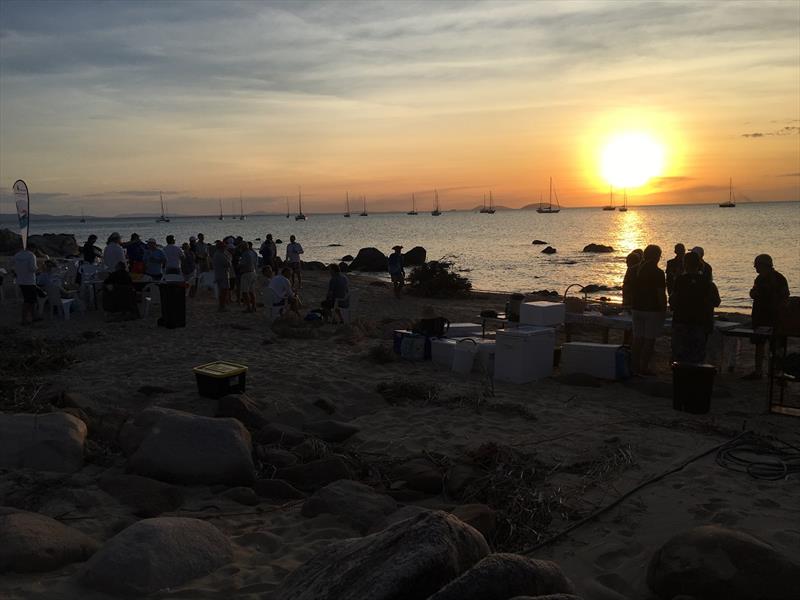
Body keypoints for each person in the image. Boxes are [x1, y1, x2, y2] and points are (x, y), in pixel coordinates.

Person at [744, 254, 790, 380]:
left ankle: (773, 372)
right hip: (763, 317)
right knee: (761, 344)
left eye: (757, 265)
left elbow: (784, 298)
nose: (755, 268)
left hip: (771, 317)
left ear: (764, 265)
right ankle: (762, 371)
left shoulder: (776, 279)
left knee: (773, 346)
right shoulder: (761, 279)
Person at [669, 251, 721, 363]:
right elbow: (716, 302)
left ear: (685, 264)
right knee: (697, 353)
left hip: (681, 320)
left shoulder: (679, 280)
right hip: (700, 321)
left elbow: (673, 299)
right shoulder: (707, 282)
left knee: (680, 352)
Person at [631, 244, 666, 376]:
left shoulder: (634, 270)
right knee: (649, 340)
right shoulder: (658, 273)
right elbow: (661, 294)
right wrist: (664, 309)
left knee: (637, 338)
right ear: (657, 257)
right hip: (652, 310)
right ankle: (643, 367)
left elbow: (628, 289)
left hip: (636, 308)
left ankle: (634, 366)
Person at [12, 244, 38, 325]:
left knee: (31, 300)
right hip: (29, 281)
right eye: (35, 249)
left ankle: (32, 317)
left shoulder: (17, 255)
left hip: (20, 280)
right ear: (32, 248)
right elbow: (32, 269)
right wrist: (39, 267)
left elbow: (12, 266)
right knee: (28, 301)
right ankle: (24, 319)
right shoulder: (31, 255)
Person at [238, 241, 259, 313]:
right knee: (252, 291)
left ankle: (248, 307)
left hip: (246, 273)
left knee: (245, 292)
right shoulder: (252, 252)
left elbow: (242, 264)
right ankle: (254, 306)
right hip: (253, 272)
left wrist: (239, 265)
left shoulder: (245, 254)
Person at [212, 240, 232, 312]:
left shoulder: (217, 254)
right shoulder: (220, 255)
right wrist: (229, 257)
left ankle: (221, 306)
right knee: (224, 291)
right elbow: (228, 264)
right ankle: (222, 306)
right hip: (223, 275)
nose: (225, 248)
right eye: (224, 247)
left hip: (219, 274)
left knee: (222, 291)